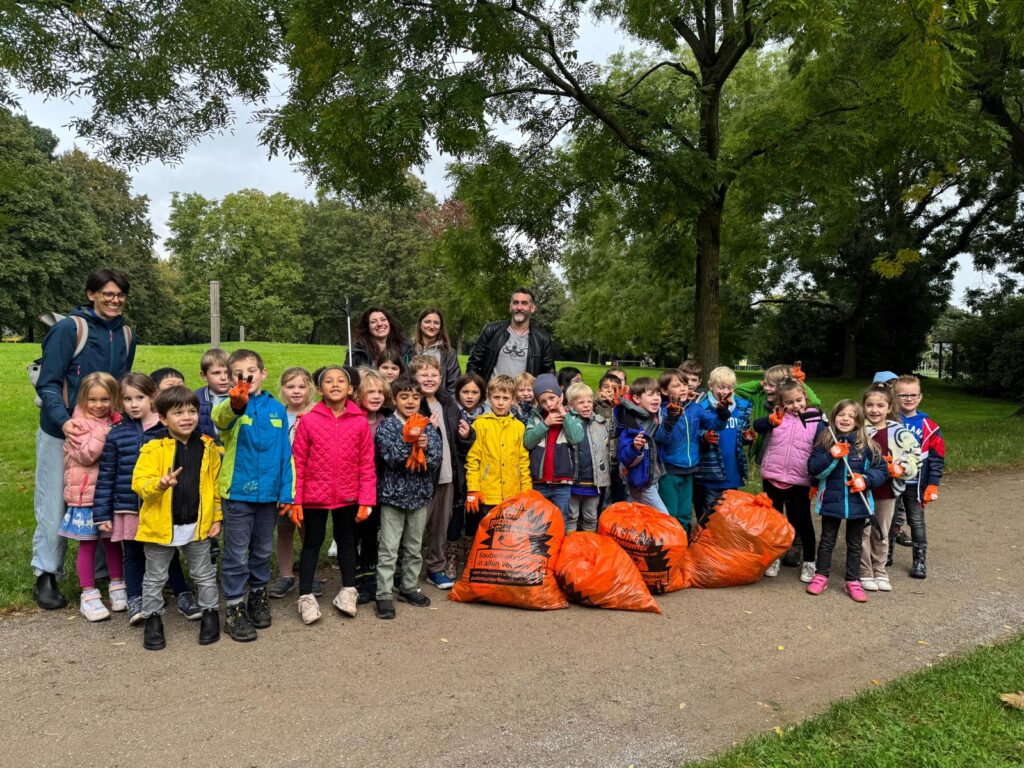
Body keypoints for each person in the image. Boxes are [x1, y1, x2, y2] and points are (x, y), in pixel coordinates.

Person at [32, 267, 137, 610]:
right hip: (62, 431)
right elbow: (48, 382)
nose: (114, 300)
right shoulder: (69, 329)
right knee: (55, 503)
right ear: (91, 294)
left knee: (101, 497)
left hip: (105, 433)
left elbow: (120, 387)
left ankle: (101, 571)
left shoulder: (124, 334)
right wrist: (63, 422)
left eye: (120, 295)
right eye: (107, 293)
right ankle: (46, 573)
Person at [94, 373, 199, 625]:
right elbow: (107, 474)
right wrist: (102, 514)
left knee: (168, 552)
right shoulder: (117, 434)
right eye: (127, 399)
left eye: (140, 397)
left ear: (153, 397)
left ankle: (182, 593)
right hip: (128, 506)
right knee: (132, 554)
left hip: (161, 505)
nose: (133, 404)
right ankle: (135, 599)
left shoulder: (167, 431)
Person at [212, 349, 296, 642]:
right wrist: (235, 406)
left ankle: (257, 595)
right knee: (236, 553)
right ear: (231, 378)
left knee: (262, 550)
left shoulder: (277, 410)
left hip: (269, 495)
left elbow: (286, 453)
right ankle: (234, 606)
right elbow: (220, 421)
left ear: (263, 374)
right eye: (239, 372)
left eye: (252, 370)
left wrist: (287, 492)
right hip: (237, 494)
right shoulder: (230, 405)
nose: (246, 376)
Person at [132, 386, 222, 650]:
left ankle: (210, 614)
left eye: (192, 411)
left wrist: (216, 518)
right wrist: (159, 485)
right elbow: (139, 483)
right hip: (161, 527)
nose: (186, 417)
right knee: (155, 577)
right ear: (163, 418)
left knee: (204, 573)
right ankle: (153, 619)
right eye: (178, 412)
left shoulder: (208, 448)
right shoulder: (153, 448)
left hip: (197, 525)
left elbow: (214, 488)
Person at [290, 365, 376, 624]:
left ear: (351, 389)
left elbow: (367, 463)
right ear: (320, 389)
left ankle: (348, 590)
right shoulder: (309, 420)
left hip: (348, 496)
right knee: (312, 543)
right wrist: (295, 499)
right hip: (313, 496)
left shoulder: (360, 421)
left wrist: (367, 499)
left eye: (341, 381)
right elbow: (298, 462)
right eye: (329, 381)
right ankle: (305, 595)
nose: (335, 384)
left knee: (347, 541)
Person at [374, 376, 442, 619]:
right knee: (389, 548)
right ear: (395, 400)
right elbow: (390, 458)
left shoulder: (426, 425)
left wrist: (424, 446)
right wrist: (409, 441)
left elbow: (435, 461)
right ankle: (383, 594)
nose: (410, 401)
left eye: (415, 397)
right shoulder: (387, 427)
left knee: (414, 548)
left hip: (419, 497)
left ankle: (408, 587)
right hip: (393, 497)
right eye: (404, 397)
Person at [806, 400, 888, 602]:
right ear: (833, 417)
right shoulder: (824, 442)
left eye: (851, 416)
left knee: (855, 543)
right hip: (831, 501)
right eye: (842, 414)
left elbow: (881, 471)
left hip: (858, 502)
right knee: (827, 541)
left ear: (859, 421)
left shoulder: (867, 445)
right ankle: (821, 575)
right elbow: (814, 469)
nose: (845, 419)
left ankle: (853, 580)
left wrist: (865, 480)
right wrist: (831, 456)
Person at [56, 372, 122, 621]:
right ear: (82, 399)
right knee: (88, 544)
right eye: (92, 399)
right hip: (85, 496)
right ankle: (88, 592)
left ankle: (117, 585)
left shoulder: (117, 421)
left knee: (113, 541)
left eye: (105, 399)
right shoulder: (77, 425)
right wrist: (104, 432)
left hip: (110, 494)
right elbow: (86, 456)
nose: (98, 405)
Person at [410, 355, 475, 590]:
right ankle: (406, 571)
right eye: (423, 374)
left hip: (448, 475)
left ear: (442, 378)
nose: (429, 379)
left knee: (441, 526)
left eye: (434, 375)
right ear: (414, 377)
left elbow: (459, 443)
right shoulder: (413, 403)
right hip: (423, 477)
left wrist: (467, 436)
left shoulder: (448, 403)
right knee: (416, 526)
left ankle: (435, 568)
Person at [751, 378, 824, 582]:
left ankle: (810, 561)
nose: (795, 406)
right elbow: (757, 425)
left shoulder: (816, 420)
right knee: (774, 521)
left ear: (805, 398)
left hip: (799, 479)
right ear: (782, 404)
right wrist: (770, 421)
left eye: (799, 400)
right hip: (773, 476)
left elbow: (823, 446)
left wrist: (816, 478)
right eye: (789, 402)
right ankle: (773, 557)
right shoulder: (777, 417)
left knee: (801, 521)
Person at [462, 375, 531, 564]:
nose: (500, 403)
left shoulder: (518, 427)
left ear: (513, 400)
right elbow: (473, 459)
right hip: (488, 493)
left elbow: (523, 461)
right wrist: (473, 488)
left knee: (508, 537)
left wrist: (526, 492)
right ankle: (483, 571)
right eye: (496, 397)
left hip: (512, 494)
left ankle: (504, 573)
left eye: (505, 398)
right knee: (486, 537)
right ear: (489, 398)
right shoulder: (480, 424)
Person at [861, 384, 920, 592]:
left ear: (889, 408)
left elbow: (915, 456)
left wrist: (901, 467)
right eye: (869, 405)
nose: (874, 410)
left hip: (887, 491)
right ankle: (864, 571)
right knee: (863, 532)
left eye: (880, 405)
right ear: (863, 407)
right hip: (861, 490)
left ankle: (880, 570)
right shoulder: (859, 430)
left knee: (882, 531)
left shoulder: (899, 432)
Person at [655, 368, 728, 535]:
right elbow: (661, 439)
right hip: (669, 471)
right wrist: (670, 421)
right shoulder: (662, 410)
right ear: (665, 390)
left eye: (685, 385)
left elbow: (715, 425)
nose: (683, 388)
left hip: (690, 469)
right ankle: (670, 549)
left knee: (685, 514)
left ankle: (684, 546)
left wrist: (722, 414)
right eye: (677, 385)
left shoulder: (695, 408)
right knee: (670, 513)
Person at [269, 366, 317, 599]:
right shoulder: (276, 412)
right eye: (290, 387)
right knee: (285, 528)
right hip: (282, 481)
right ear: (282, 389)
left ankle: (311, 574)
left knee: (308, 529)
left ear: (310, 388)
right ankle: (286, 575)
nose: (296, 391)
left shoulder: (318, 412)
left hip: (309, 481)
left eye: (301, 386)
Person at [892, 374, 945, 579]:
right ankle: (885, 555)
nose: (908, 398)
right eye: (903, 395)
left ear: (920, 397)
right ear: (894, 396)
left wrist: (933, 485)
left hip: (916, 484)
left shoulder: (930, 427)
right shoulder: (888, 421)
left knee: (916, 521)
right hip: (891, 481)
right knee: (889, 519)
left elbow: (936, 458)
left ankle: (919, 560)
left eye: (913, 394)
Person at [694, 366, 754, 520]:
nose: (725, 391)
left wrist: (746, 437)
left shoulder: (740, 407)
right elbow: (694, 433)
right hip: (710, 470)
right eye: (721, 387)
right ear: (711, 386)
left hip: (732, 468)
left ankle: (724, 540)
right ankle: (706, 541)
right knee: (710, 512)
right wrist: (704, 437)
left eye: (729, 387)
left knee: (730, 511)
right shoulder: (702, 407)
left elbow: (741, 432)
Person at [353, 368, 391, 603]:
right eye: (370, 392)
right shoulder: (352, 420)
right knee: (352, 533)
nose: (376, 396)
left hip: (376, 487)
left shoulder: (384, 421)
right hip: (352, 488)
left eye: (380, 392)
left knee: (370, 533)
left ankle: (369, 574)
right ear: (358, 395)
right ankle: (354, 575)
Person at [524, 373, 584, 523]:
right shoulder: (536, 418)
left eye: (552, 398)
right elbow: (528, 442)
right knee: (537, 520)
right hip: (539, 483)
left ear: (560, 396)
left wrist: (564, 415)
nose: (549, 404)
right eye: (543, 401)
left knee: (560, 519)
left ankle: (559, 545)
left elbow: (576, 438)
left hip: (562, 484)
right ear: (538, 402)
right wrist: (545, 424)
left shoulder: (572, 417)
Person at [466, 288, 555, 381]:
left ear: (532, 308)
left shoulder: (543, 339)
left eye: (524, 303)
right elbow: (473, 365)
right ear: (510, 306)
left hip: (524, 395)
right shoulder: (491, 330)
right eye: (515, 303)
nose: (519, 308)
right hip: (492, 394)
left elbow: (548, 375)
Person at [616, 377, 668, 514]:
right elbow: (624, 457)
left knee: (635, 515)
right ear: (637, 399)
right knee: (664, 516)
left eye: (658, 394)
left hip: (651, 478)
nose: (656, 398)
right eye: (650, 395)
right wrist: (635, 448)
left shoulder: (655, 415)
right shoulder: (632, 422)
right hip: (641, 483)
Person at [565, 382, 610, 533]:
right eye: (581, 402)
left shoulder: (600, 422)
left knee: (591, 516)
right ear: (571, 405)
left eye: (589, 402)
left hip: (594, 480)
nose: (586, 406)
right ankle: (571, 547)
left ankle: (589, 546)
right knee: (572, 516)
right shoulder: (569, 422)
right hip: (573, 480)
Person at [406, 307, 461, 397]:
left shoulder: (449, 353)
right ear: (420, 324)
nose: (432, 326)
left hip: (438, 403)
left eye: (436, 323)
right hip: (411, 401)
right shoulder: (407, 348)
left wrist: (447, 408)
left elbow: (454, 386)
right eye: (427, 322)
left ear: (440, 326)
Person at [596, 373, 626, 506]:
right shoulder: (595, 406)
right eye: (606, 387)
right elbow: (584, 399)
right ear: (599, 391)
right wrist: (597, 398)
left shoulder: (622, 408)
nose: (610, 391)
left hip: (616, 459)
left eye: (615, 388)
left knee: (617, 494)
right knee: (600, 496)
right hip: (600, 459)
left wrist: (621, 401)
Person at [196, 348, 231, 441]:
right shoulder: (195, 399)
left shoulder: (242, 397)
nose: (223, 378)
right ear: (204, 376)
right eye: (216, 373)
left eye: (227, 372)